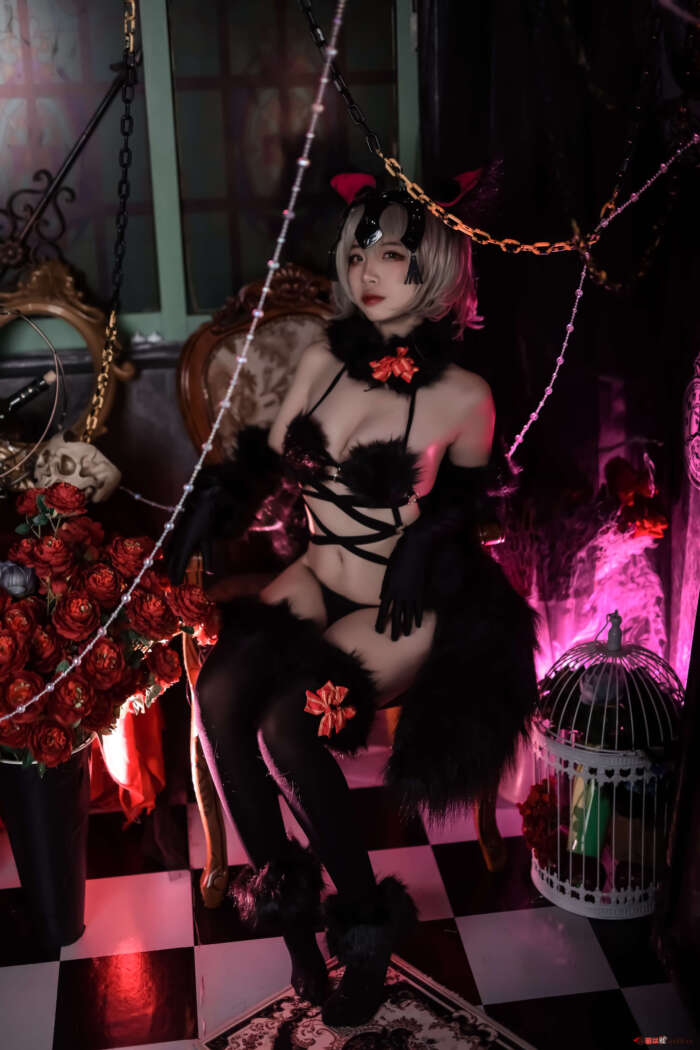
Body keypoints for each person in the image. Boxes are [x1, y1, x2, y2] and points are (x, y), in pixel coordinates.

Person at [166, 176, 538, 1028]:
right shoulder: (320, 361)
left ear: (436, 271)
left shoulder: (465, 396)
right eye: (360, 249)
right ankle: (297, 931)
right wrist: (210, 508)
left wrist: (424, 546)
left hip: (398, 609)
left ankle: (366, 934)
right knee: (218, 698)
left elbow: (468, 502)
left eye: (394, 254)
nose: (368, 270)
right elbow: (262, 459)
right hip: (320, 572)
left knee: (288, 726)